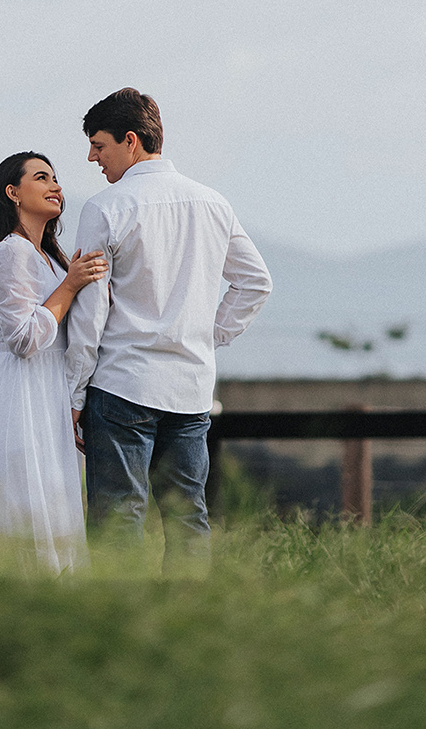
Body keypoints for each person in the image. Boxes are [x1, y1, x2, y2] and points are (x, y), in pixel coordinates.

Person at [66, 88, 272, 569]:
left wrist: (75, 394)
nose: (92, 157)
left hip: (122, 385)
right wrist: (208, 333)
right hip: (191, 387)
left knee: (118, 518)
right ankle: (188, 627)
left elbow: (91, 310)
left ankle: (124, 627)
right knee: (187, 520)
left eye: (99, 145)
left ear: (131, 141)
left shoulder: (104, 207)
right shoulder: (213, 203)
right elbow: (255, 283)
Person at [0, 151, 107, 574]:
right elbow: (24, 339)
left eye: (57, 179)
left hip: (50, 396)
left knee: (58, 512)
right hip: (20, 400)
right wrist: (70, 286)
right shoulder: (12, 253)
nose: (56, 186)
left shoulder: (50, 256)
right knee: (29, 517)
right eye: (42, 177)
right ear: (13, 193)